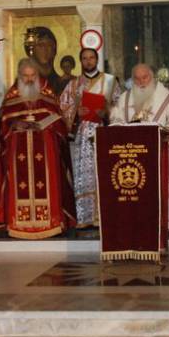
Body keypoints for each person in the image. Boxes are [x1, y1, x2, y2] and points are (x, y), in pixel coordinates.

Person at [0, 59, 75, 239]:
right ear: (19, 75)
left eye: (33, 75)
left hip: (46, 150)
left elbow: (60, 122)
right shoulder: (11, 96)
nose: (30, 80)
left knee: (49, 182)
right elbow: (2, 126)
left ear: (38, 75)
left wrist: (49, 125)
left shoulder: (48, 93)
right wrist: (15, 124)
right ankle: (18, 223)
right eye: (26, 76)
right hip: (18, 150)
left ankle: (50, 222)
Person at [110, 63, 169, 234]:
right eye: (137, 78)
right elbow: (115, 119)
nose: (141, 82)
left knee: (161, 185)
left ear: (152, 77)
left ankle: (168, 223)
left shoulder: (165, 96)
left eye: (145, 77)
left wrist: (168, 131)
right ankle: (139, 224)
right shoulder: (124, 98)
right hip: (132, 152)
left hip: (159, 150)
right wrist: (120, 129)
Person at [60, 48, 122, 228]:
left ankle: (105, 216)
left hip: (104, 134)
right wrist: (76, 112)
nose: (88, 61)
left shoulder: (110, 81)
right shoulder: (73, 84)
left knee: (105, 174)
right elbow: (62, 107)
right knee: (84, 176)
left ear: (97, 59)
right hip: (82, 136)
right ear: (81, 61)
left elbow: (120, 106)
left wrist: (107, 112)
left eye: (91, 58)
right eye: (85, 58)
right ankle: (85, 217)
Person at [26, 27, 63, 95]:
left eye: (49, 45)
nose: (45, 49)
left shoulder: (61, 82)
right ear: (31, 50)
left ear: (54, 50)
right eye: (41, 45)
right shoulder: (25, 82)